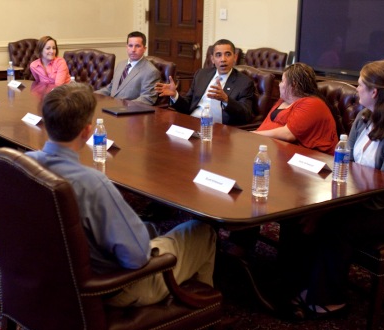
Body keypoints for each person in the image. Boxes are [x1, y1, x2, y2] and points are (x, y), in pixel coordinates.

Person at [26, 83, 217, 307]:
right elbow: (137, 258)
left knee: (150, 229)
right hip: (112, 288)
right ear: (87, 131)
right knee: (202, 231)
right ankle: (197, 318)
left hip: (50, 275)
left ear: (46, 124)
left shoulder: (23, 163)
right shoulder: (93, 183)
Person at [278, 60, 384, 319]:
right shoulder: (364, 118)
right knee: (299, 210)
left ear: (375, 92)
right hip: (360, 196)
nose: (356, 89)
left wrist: (328, 210)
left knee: (337, 224)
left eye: (360, 85)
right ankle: (295, 284)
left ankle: (326, 299)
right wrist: (321, 205)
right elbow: (346, 164)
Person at [155, 39, 256, 126]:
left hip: (219, 130)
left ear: (235, 57)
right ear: (212, 59)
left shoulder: (244, 82)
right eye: (218, 55)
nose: (223, 59)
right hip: (192, 122)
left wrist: (226, 100)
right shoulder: (202, 74)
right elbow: (188, 105)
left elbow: (246, 115)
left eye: (228, 54)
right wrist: (175, 95)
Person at [253, 63, 338, 155]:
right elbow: (266, 125)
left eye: (282, 81)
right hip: (274, 149)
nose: (279, 85)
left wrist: (253, 134)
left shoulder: (313, 103)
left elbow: (288, 134)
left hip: (309, 158)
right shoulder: (283, 100)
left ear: (293, 84)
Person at [95, 31, 160, 106]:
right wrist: (92, 95)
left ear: (144, 49)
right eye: (130, 45)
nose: (133, 50)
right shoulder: (121, 64)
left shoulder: (151, 72)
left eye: (137, 46)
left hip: (129, 113)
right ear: (127, 47)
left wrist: (124, 107)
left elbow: (147, 99)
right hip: (112, 107)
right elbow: (111, 88)